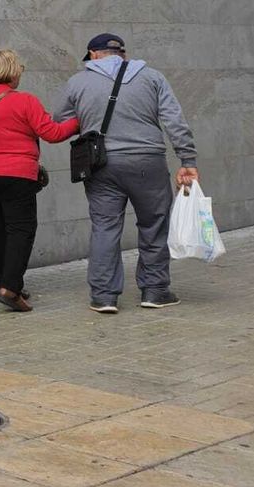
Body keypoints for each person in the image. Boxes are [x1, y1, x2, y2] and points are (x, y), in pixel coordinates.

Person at [55, 33, 198, 313]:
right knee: (154, 224)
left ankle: (104, 295)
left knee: (105, 227)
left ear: (93, 55)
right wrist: (187, 158)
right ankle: (155, 291)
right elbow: (173, 119)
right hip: (148, 162)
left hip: (101, 164)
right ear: (122, 54)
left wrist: (89, 117)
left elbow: (59, 119)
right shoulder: (153, 77)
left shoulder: (78, 81)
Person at [0, 48, 78, 313]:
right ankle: (10, 289)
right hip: (16, 175)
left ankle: (3, 284)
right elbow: (52, 133)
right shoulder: (25, 101)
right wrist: (78, 121)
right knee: (20, 228)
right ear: (11, 71)